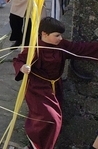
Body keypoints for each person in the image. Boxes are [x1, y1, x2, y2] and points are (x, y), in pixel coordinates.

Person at [14, 17, 98, 149]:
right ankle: (37, 145)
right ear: (44, 34)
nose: (60, 38)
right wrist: (23, 67)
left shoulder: (61, 45)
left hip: (54, 87)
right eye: (57, 35)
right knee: (49, 118)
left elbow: (79, 49)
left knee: (52, 120)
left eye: (61, 35)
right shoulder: (34, 48)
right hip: (37, 89)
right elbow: (18, 60)